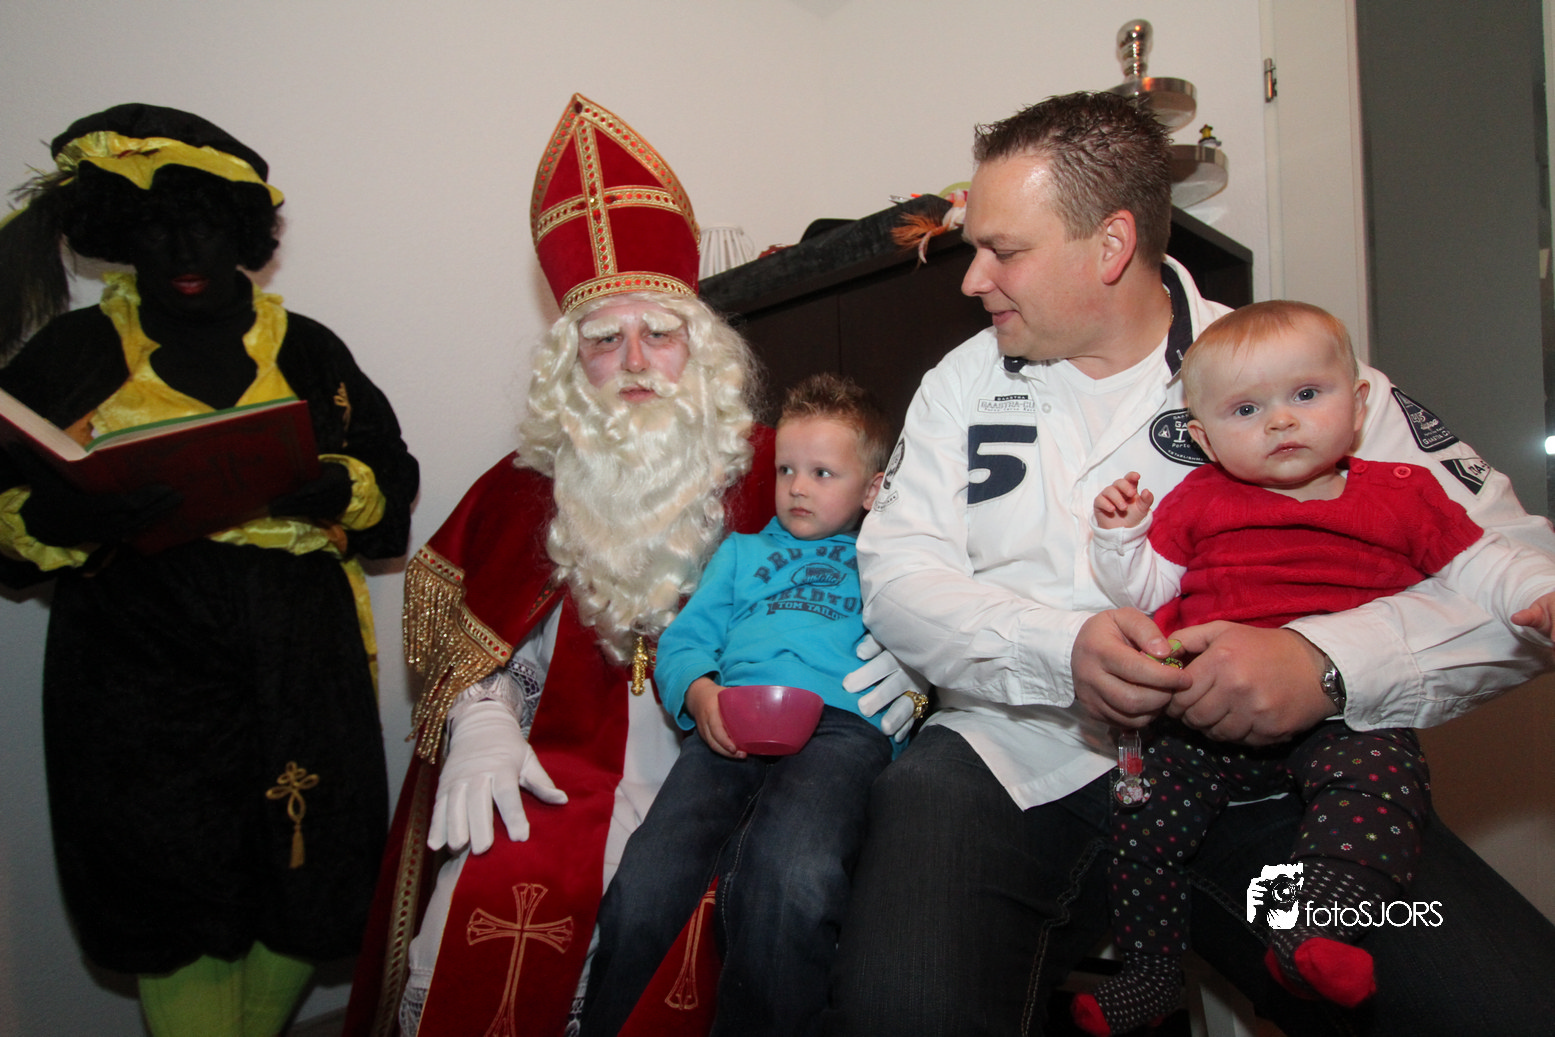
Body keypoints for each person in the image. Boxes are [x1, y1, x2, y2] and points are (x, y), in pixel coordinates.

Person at [825, 90, 1555, 1037]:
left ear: (1110, 245)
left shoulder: (1292, 376)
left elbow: (1519, 568)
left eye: (1003, 250)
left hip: (1266, 783)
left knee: (1502, 1006)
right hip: (1004, 758)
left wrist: (1324, 664)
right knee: (900, 1008)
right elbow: (897, 575)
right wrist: (1059, 650)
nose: (973, 280)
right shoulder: (959, 383)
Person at [342, 95, 919, 1037]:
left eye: (659, 332)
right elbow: (463, 628)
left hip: (739, 774)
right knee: (476, 905)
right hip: (560, 774)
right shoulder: (523, 487)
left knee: (760, 897)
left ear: (701, 345)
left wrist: (911, 656)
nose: (637, 361)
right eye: (604, 339)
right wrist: (483, 720)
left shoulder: (779, 468)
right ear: (570, 365)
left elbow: (903, 551)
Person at [0, 104, 418, 1037]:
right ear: (120, 235)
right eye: (155, 229)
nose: (182, 251)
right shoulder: (73, 353)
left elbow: (390, 482)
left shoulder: (307, 347)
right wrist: (64, 515)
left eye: (203, 226)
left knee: (305, 868)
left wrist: (332, 485)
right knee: (169, 887)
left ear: (243, 234)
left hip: (300, 664)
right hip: (136, 676)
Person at [1070, 299, 1555, 1034]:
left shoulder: (1401, 492)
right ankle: (1150, 973)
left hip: (1340, 717)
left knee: (1383, 790)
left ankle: (1317, 926)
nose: (1280, 421)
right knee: (1140, 831)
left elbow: (1486, 562)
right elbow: (1143, 591)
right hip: (1199, 719)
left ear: (1357, 405)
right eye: (1246, 409)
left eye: (1306, 394)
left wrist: (1537, 593)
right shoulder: (1197, 498)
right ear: (1202, 438)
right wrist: (1121, 537)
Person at [582, 372, 905, 1037]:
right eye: (787, 469)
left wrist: (917, 687)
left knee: (792, 875)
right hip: (730, 721)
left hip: (842, 730)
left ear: (873, 488)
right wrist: (700, 692)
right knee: (646, 878)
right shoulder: (740, 553)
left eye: (822, 472)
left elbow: (930, 642)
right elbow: (684, 641)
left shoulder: (889, 561)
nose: (797, 487)